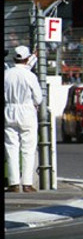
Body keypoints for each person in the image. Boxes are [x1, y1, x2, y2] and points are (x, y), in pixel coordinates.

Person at [4, 46, 43, 193]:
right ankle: (27, 183)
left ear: (14, 58)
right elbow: (38, 98)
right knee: (28, 148)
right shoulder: (29, 75)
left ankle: (13, 183)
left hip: (9, 109)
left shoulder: (6, 74)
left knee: (11, 147)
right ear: (27, 59)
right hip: (26, 110)